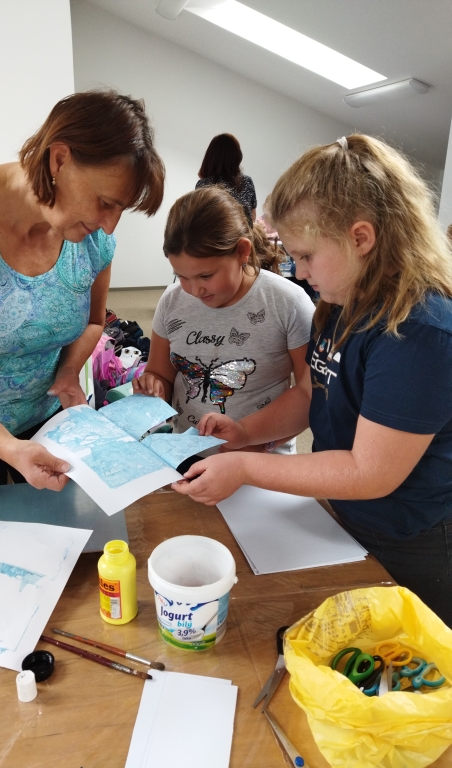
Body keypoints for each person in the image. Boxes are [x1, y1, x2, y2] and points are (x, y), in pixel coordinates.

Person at [173, 134, 452, 626]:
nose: (298, 272)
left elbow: (370, 472)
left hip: (410, 536)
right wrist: (245, 432)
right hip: (344, 511)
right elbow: (310, 392)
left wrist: (245, 467)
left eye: (305, 256)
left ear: (360, 239)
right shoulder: (343, 300)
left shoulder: (418, 331)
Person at [0, 89, 165, 491]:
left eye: (121, 209)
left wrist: (68, 372)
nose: (110, 225)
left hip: (45, 418)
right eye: (105, 202)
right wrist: (7, 446)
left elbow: (94, 322)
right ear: (59, 159)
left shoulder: (93, 239)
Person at [132, 186, 315, 456]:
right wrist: (154, 386)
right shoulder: (172, 300)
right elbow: (161, 374)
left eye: (206, 276)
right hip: (186, 453)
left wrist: (254, 439)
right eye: (182, 276)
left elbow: (309, 394)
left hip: (260, 458)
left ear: (242, 251)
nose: (194, 290)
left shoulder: (288, 303)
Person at [196, 134, 257, 223]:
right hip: (243, 231)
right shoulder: (247, 182)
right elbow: (252, 217)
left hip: (214, 232)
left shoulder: (204, 185)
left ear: (211, 157)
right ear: (237, 156)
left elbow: (199, 220)